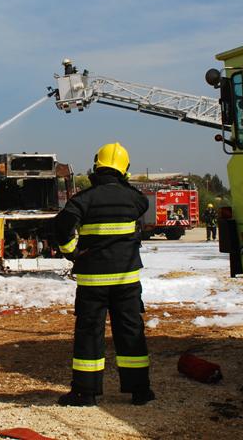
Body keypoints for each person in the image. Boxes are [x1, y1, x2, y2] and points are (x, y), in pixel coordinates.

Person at [54, 142, 155, 407]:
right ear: (124, 170)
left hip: (93, 283)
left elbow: (61, 226)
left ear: (96, 166)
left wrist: (70, 251)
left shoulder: (83, 199)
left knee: (89, 334)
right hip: (127, 282)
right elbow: (141, 203)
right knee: (131, 332)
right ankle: (140, 391)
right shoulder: (135, 199)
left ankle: (85, 393)